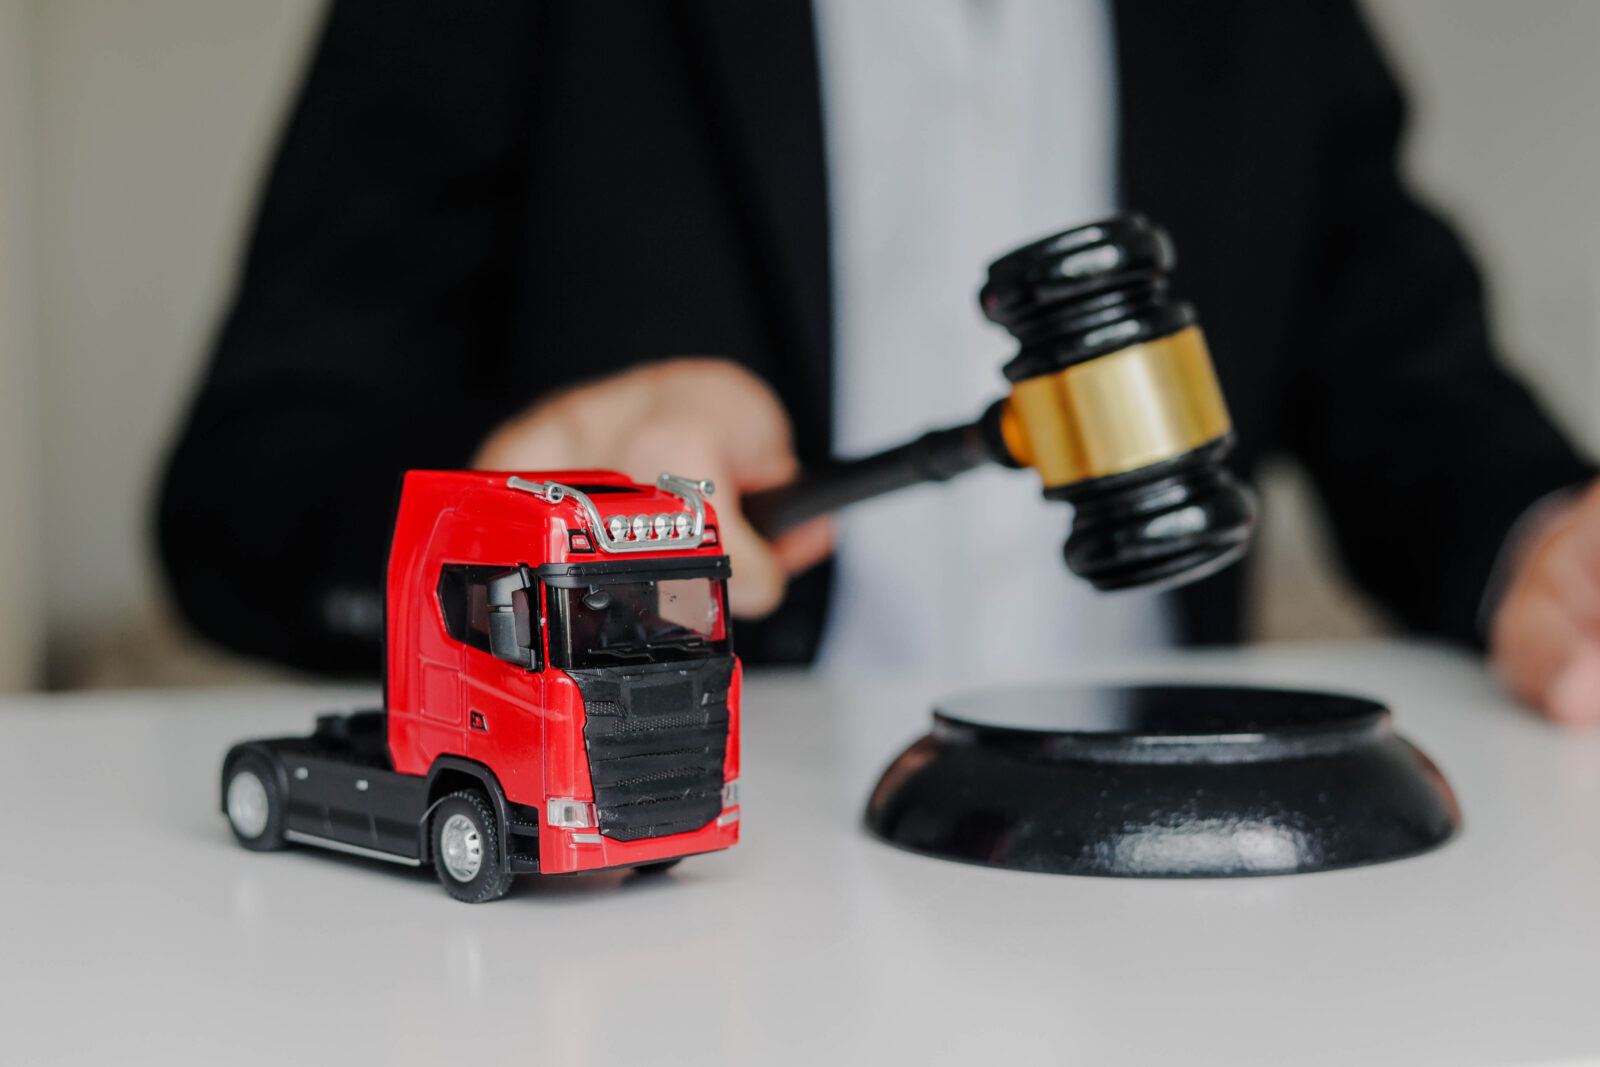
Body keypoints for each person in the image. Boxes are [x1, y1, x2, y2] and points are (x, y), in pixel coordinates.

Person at [158, 0, 1599, 722]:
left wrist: (1543, 542)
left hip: (1184, 925)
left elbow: (1412, 383)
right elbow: (243, 493)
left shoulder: (1266, 22)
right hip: (690, 908)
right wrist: (507, 520)